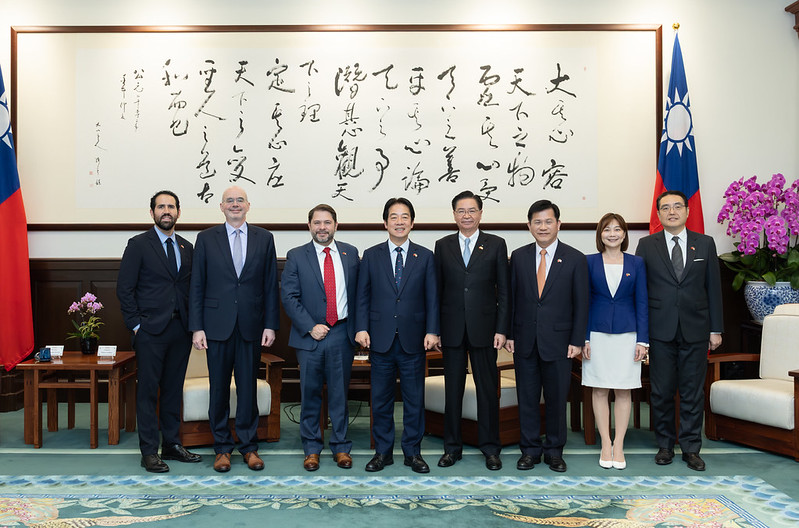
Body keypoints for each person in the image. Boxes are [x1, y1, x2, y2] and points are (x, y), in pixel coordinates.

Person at [189, 185, 280, 473]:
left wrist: (271, 324)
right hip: (215, 327)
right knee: (218, 390)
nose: (235, 204)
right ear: (221, 206)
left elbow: (269, 285)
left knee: (247, 390)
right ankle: (222, 448)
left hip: (251, 326)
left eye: (240, 200)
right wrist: (197, 327)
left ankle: (249, 447)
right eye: (230, 200)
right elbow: (197, 285)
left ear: (248, 205)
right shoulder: (206, 238)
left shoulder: (264, 238)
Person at [635, 190, 723, 471]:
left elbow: (714, 290)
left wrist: (716, 329)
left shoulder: (705, 244)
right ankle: (664, 444)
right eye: (665, 208)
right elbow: (641, 293)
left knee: (692, 392)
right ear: (659, 215)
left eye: (677, 207)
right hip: (660, 330)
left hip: (696, 329)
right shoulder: (646, 245)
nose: (671, 212)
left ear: (687, 211)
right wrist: (643, 335)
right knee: (660, 392)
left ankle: (691, 448)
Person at [116, 190, 202, 473]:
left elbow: (190, 289)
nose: (166, 211)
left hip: (180, 329)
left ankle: (173, 444)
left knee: (173, 390)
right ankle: (149, 451)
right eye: (161, 206)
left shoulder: (187, 247)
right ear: (152, 212)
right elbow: (124, 288)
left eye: (171, 206)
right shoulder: (139, 244)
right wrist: (136, 325)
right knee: (149, 392)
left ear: (179, 212)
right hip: (150, 331)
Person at [355, 197, 440, 474]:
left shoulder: (425, 256)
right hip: (379, 338)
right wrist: (361, 327)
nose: (399, 222)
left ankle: (413, 453)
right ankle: (383, 452)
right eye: (394, 217)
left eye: (405, 217)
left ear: (412, 223)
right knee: (381, 399)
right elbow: (362, 296)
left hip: (414, 338)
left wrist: (432, 330)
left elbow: (432, 298)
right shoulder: (371, 254)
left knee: (414, 399)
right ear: (385, 222)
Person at [506, 199, 588, 473]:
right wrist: (508, 334)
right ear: (529, 226)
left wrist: (577, 340)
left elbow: (581, 303)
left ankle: (554, 451)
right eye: (537, 222)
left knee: (555, 399)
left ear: (559, 224)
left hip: (560, 343)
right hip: (524, 340)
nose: (543, 227)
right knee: (527, 399)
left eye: (548, 221)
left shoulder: (575, 258)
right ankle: (529, 450)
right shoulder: (518, 256)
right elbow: (511, 300)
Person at [434, 190, 509, 471]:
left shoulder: (496, 244)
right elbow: (436, 291)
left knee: (487, 391)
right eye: (461, 211)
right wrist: (436, 329)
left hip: (486, 330)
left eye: (472, 210)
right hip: (451, 329)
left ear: (480, 213)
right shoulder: (442, 245)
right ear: (454, 215)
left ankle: (490, 448)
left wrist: (502, 329)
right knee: (452, 390)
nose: (466, 216)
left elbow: (505, 291)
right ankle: (452, 448)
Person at [281, 204, 360, 472]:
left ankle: (341, 447)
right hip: (310, 336)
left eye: (327, 222)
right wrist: (310, 326)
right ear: (309, 226)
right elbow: (289, 297)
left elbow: (359, 295)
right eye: (317, 223)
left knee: (340, 395)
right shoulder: (296, 255)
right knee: (310, 394)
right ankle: (312, 449)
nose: (322, 227)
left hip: (341, 333)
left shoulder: (351, 254)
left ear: (336, 225)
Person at [582, 213, 649, 470]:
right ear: (600, 234)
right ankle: (605, 443)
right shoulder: (589, 262)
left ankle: (619, 444)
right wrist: (584, 337)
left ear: (624, 234)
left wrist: (643, 341)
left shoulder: (637, 263)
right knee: (599, 389)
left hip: (628, 334)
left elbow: (642, 302)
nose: (612, 234)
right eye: (607, 229)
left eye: (617, 229)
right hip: (597, 335)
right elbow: (584, 302)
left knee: (623, 389)